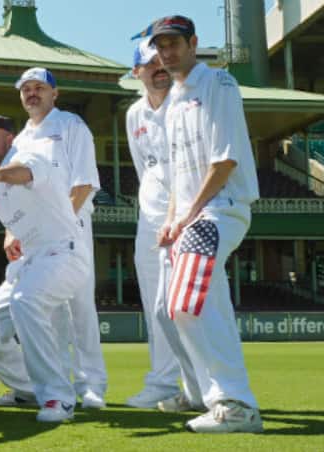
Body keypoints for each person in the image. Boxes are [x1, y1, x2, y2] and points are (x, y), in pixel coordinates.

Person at [150, 15, 262, 433]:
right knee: (177, 307)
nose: (166, 52)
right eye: (160, 45)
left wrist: (189, 214)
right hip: (195, 214)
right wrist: (172, 219)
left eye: (174, 43)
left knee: (189, 301)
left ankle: (236, 404)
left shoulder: (219, 84)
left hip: (222, 207)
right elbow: (182, 173)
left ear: (193, 43)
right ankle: (214, 398)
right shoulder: (174, 101)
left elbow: (224, 161)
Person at [0, 115, 91, 423]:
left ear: (10, 138)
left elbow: (23, 173)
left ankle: (58, 397)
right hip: (28, 262)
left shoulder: (29, 155)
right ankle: (26, 388)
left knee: (25, 302)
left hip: (64, 253)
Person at [0, 67, 107, 409]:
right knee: (47, 310)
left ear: (54, 94)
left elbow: (84, 181)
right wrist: (9, 231)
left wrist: (63, 222)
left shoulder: (71, 125)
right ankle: (57, 381)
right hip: (33, 235)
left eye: (39, 88)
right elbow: (9, 192)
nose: (32, 93)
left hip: (71, 226)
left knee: (79, 306)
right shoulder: (19, 141)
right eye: (26, 88)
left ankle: (91, 385)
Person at [124, 40, 184, 409]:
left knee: (183, 305)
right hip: (149, 222)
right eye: (149, 63)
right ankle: (163, 382)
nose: (158, 67)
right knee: (154, 305)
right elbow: (144, 167)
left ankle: (202, 384)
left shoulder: (186, 103)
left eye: (161, 61)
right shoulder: (134, 115)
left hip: (186, 216)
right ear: (137, 72)